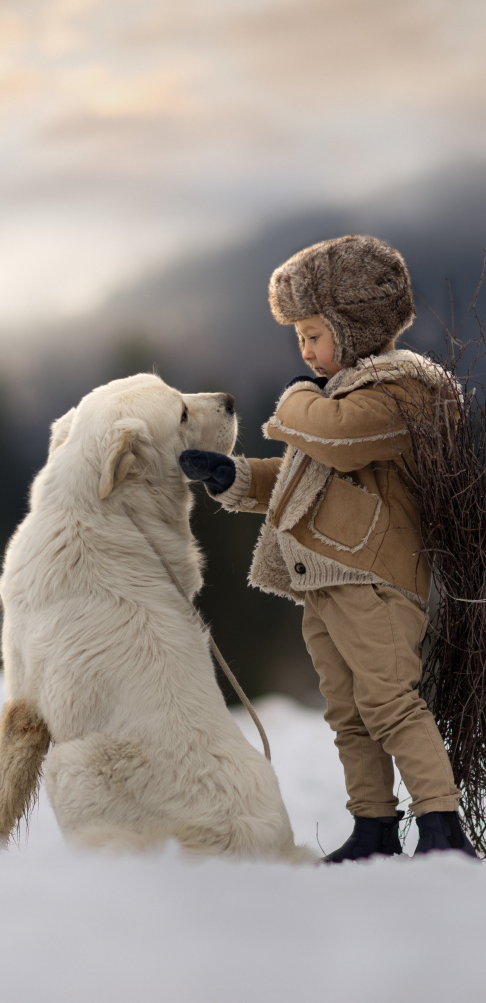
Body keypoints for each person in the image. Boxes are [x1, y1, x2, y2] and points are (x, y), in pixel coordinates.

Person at [180, 234, 477, 862]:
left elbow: (335, 439)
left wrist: (293, 395)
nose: (306, 351)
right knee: (348, 713)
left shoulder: (404, 391)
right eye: (299, 339)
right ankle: (372, 826)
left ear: (356, 325)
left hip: (377, 579)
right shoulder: (340, 395)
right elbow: (301, 477)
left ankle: (442, 827)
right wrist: (232, 477)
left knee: (391, 701)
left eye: (314, 334)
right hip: (326, 579)